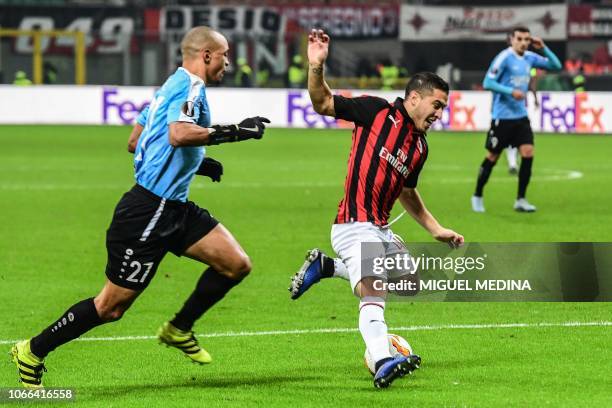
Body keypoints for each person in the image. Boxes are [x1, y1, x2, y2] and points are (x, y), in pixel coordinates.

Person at [11, 26, 270, 388]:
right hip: (148, 213)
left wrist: (197, 161)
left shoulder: (167, 88)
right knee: (110, 307)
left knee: (235, 264)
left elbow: (136, 141)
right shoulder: (191, 88)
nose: (229, 61)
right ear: (207, 55)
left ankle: (179, 329)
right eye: (225, 54)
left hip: (174, 208)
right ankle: (33, 350)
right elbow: (178, 134)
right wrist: (235, 131)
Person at [288, 29, 464, 389]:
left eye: (443, 108)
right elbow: (323, 104)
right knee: (374, 290)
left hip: (380, 228)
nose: (439, 114)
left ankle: (326, 267)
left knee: (410, 282)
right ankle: (384, 359)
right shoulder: (376, 112)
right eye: (436, 105)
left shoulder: (420, 147)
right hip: (354, 224)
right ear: (414, 97)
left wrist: (435, 229)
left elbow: (408, 192)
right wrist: (315, 66)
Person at [471, 26, 561, 213]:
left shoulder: (529, 58)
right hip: (502, 118)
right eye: (519, 38)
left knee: (528, 153)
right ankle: (477, 195)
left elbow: (556, 66)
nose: (523, 42)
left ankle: (521, 199)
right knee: (492, 157)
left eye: (527, 39)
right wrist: (510, 91)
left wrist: (543, 48)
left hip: (521, 117)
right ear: (511, 39)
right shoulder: (504, 58)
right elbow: (488, 82)